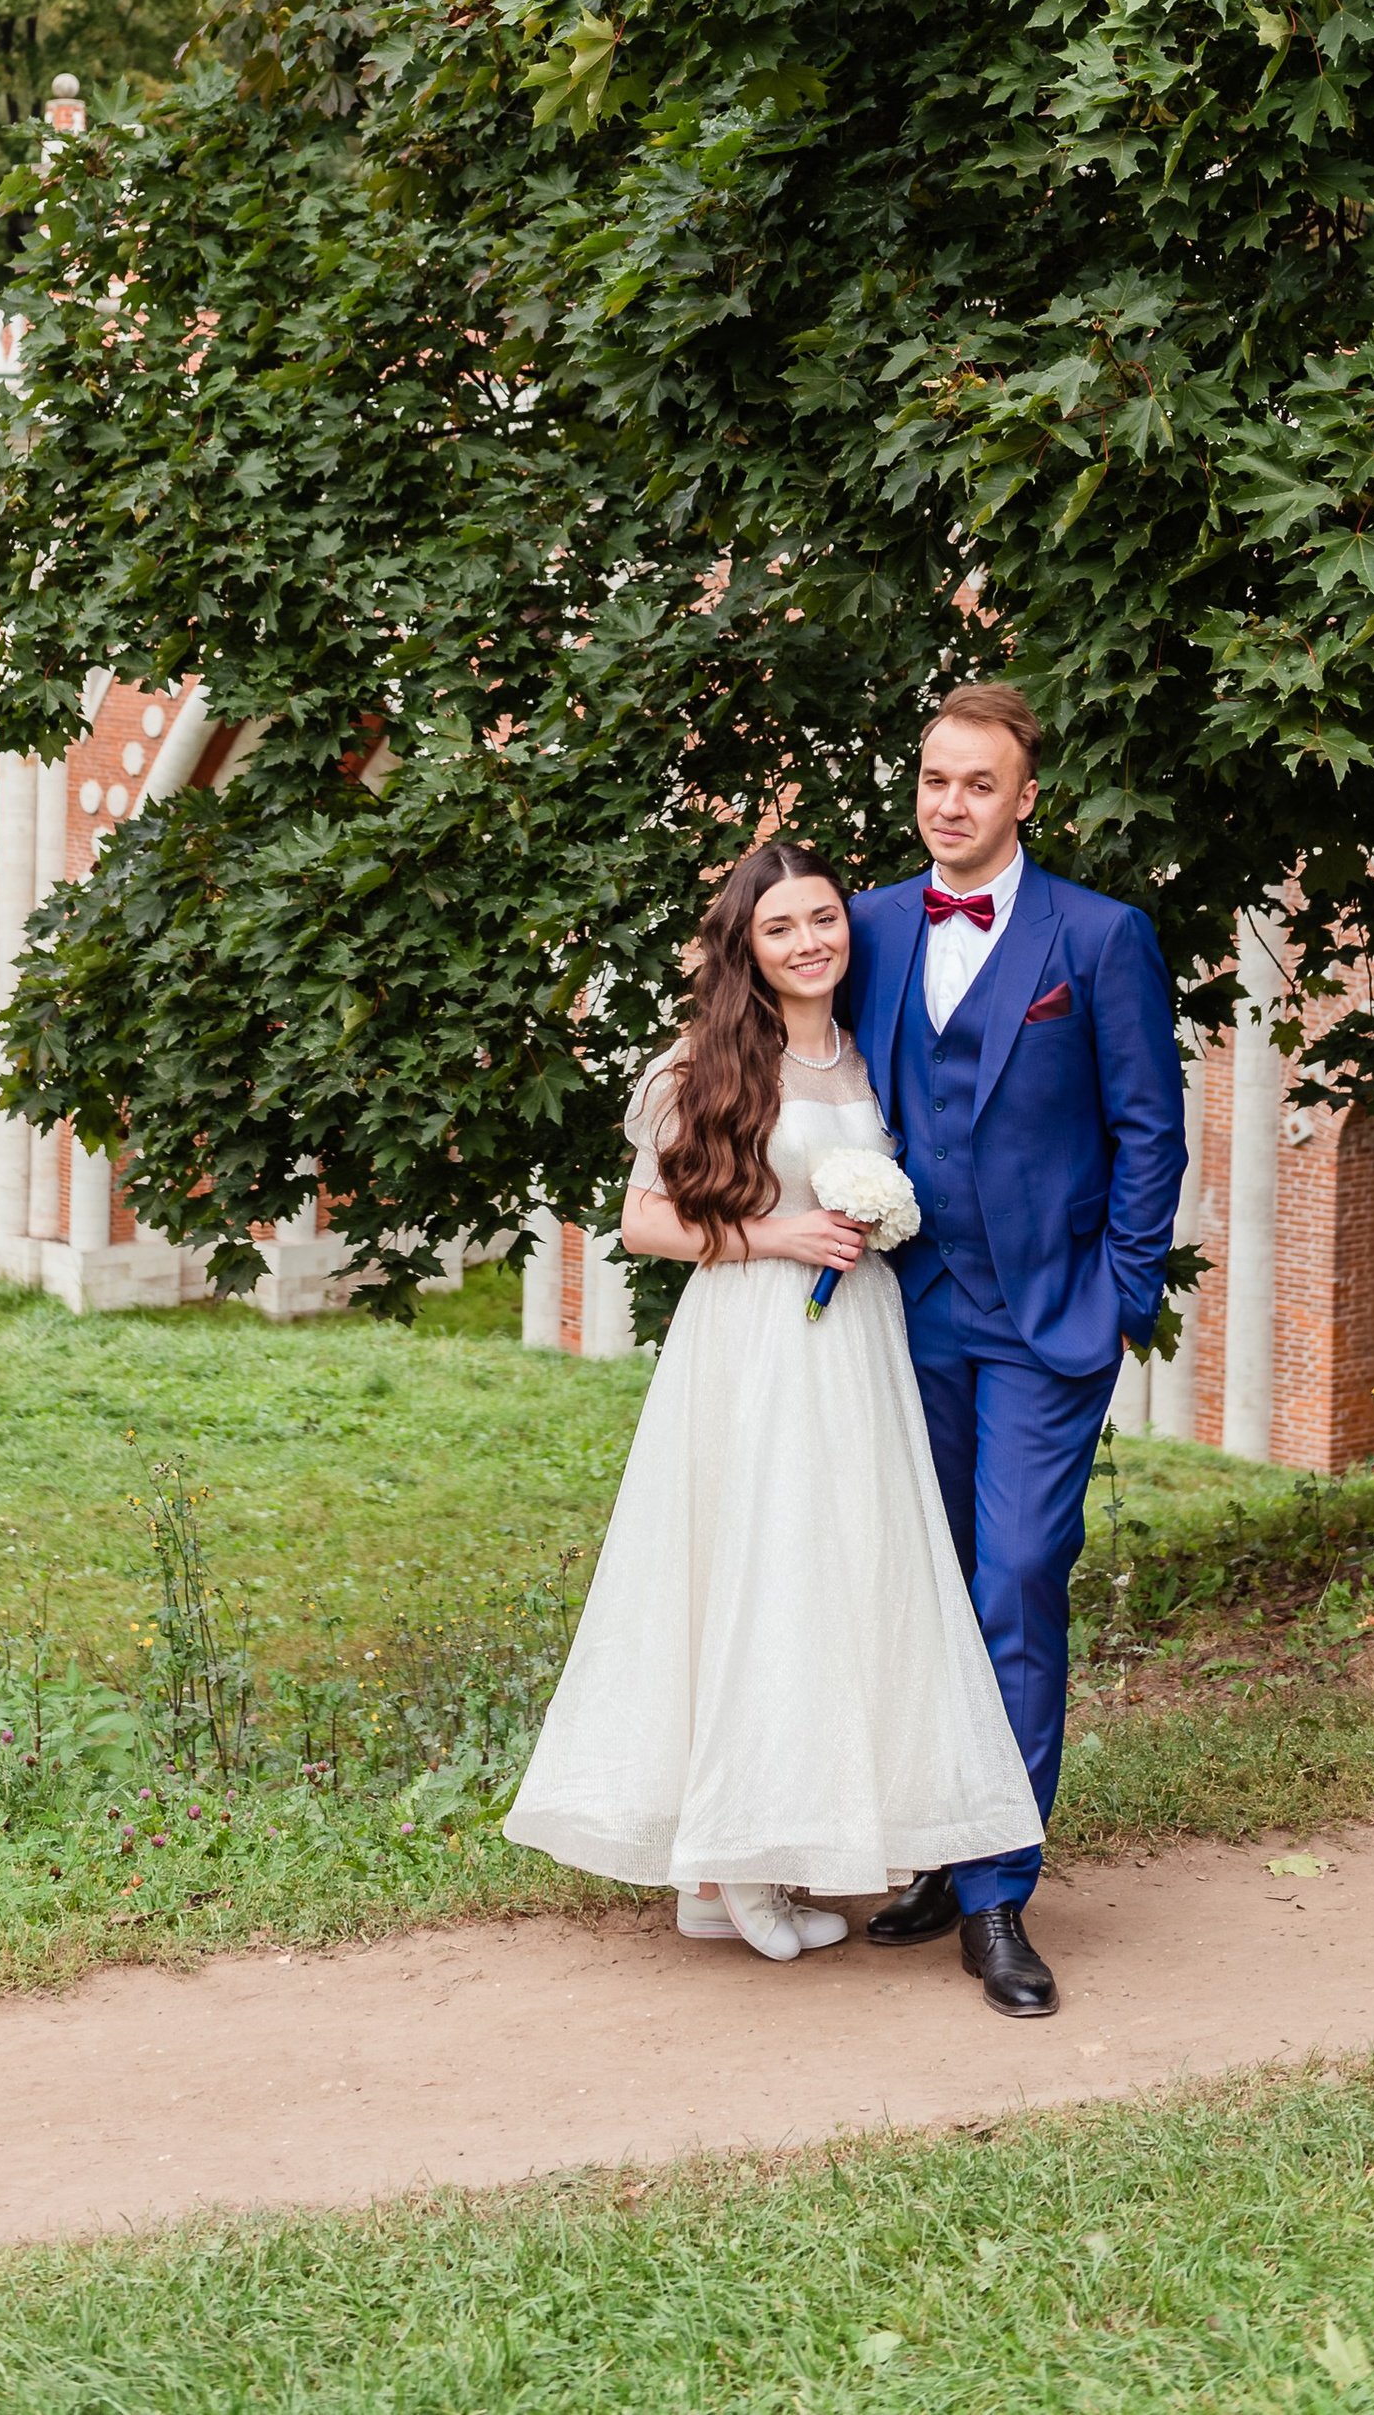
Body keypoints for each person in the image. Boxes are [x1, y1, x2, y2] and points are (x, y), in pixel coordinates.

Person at [504, 840, 1041, 1961]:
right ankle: (736, 1854)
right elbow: (644, 1223)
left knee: (836, 1580)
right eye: (781, 927)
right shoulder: (706, 1060)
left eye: (824, 919)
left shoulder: (867, 1054)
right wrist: (777, 1233)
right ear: (746, 946)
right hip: (753, 1347)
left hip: (857, 1350)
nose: (809, 942)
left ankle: (749, 1861)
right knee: (756, 1574)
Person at [843, 681, 1186, 2019]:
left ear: (1026, 796)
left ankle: (998, 1894)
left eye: (978, 781)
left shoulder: (1099, 936)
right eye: (934, 776)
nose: (950, 802)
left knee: (1020, 1577)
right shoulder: (865, 922)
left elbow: (1148, 1125)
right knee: (922, 1584)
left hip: (1049, 1322)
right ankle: (937, 1842)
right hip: (903, 1312)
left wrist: (1122, 1296)